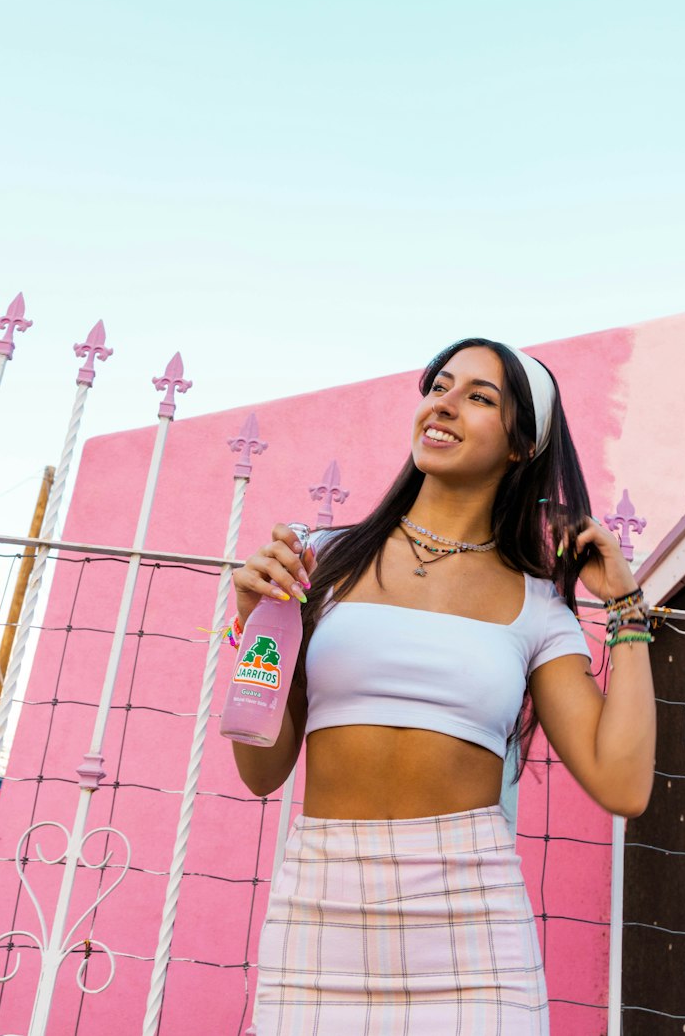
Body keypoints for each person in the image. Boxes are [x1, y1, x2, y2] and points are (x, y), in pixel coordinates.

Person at [231, 337, 657, 1035]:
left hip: (471, 915)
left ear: (521, 444)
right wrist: (254, 629)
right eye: (440, 386)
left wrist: (626, 608)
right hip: (323, 899)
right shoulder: (323, 561)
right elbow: (261, 767)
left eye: (479, 397)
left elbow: (624, 784)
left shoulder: (537, 604)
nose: (445, 404)